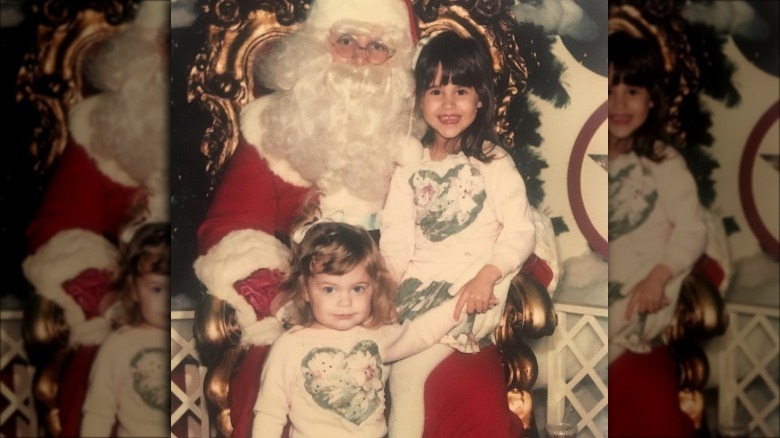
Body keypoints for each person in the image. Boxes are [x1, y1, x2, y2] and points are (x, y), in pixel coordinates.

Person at [192, 0, 423, 435]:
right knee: (268, 387)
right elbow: (231, 231)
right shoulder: (271, 130)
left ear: (399, 64)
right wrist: (286, 300)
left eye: (378, 47)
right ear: (318, 47)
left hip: (403, 313)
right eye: (346, 40)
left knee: (465, 389)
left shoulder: (420, 139)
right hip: (299, 309)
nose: (359, 57)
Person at [20, 1, 168, 435]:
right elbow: (62, 228)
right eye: (162, 44)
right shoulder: (99, 127)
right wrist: (115, 294)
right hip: (127, 299)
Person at [380, 31, 536, 437]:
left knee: (406, 372)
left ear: (480, 98)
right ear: (419, 99)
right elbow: (396, 245)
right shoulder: (408, 166)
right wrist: (382, 295)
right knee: (371, 359)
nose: (448, 104)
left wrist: (488, 273)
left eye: (461, 90)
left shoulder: (493, 162)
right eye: (436, 91)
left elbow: (520, 231)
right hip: (416, 289)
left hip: (473, 288)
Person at [253, 216, 464, 437]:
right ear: (305, 290)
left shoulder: (375, 335)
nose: (345, 302)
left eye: (357, 289)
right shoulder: (289, 347)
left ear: (372, 288)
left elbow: (419, 334)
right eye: (329, 290)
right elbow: (269, 415)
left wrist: (460, 305)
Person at [607, 31, 706, 437]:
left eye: (632, 90)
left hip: (643, 288)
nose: (619, 103)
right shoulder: (591, 160)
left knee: (623, 316)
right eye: (609, 90)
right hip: (602, 283)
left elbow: (693, 228)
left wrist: (660, 273)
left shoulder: (664, 163)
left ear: (651, 98)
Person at [80, 222, 170, 437]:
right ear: (133, 289)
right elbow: (98, 414)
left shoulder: (186, 338)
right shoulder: (119, 345)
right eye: (157, 289)